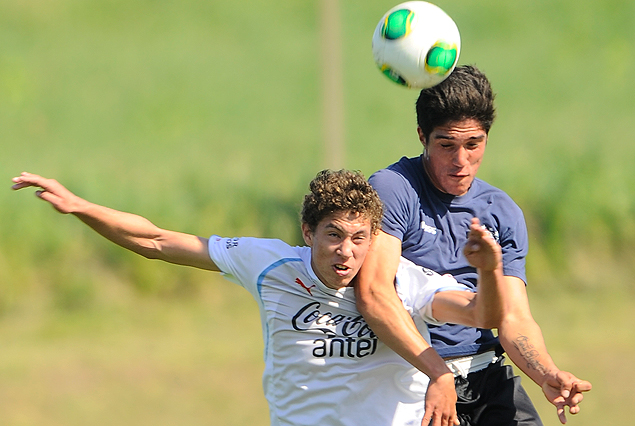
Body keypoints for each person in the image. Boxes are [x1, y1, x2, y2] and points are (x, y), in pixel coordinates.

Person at [12, 169, 506, 426]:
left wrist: (488, 270)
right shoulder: (268, 264)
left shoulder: (398, 279)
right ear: (307, 231)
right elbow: (157, 241)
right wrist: (79, 207)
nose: (346, 252)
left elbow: (483, 314)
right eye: (333, 235)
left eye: (359, 238)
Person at [354, 65, 592, 426]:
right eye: (446, 145)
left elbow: (513, 318)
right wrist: (438, 372)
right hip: (414, 381)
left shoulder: (501, 211)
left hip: (488, 377)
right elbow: (373, 293)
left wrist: (545, 372)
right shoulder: (394, 188)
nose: (461, 161)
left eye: (473, 144)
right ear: (422, 136)